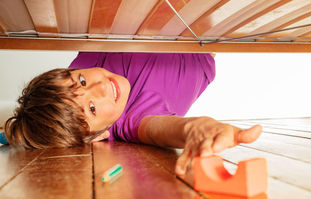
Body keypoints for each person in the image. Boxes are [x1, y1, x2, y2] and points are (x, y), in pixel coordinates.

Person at [3, 52, 261, 177]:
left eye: (81, 81)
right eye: (92, 108)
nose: (100, 87)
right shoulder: (134, 122)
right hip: (195, 40)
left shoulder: (84, 61)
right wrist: (200, 129)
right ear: (98, 137)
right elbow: (164, 130)